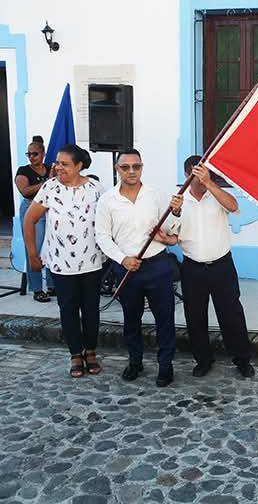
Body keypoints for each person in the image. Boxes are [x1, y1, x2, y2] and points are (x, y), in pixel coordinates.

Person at [95, 148, 181, 387]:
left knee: (165, 318)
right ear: (117, 169)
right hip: (127, 268)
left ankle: (166, 364)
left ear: (142, 167)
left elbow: (172, 227)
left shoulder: (156, 195)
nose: (131, 171)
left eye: (136, 166)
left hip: (157, 265)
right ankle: (135, 361)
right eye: (125, 167)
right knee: (131, 318)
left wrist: (176, 212)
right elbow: (102, 236)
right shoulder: (107, 200)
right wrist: (122, 259)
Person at [23, 145, 105, 378]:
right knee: (68, 309)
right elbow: (29, 220)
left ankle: (90, 351)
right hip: (61, 264)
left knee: (91, 309)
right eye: (57, 162)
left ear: (79, 166)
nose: (58, 167)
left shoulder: (96, 188)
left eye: (64, 164)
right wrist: (33, 255)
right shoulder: (50, 188)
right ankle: (75, 354)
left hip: (91, 262)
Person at [171, 155, 255, 378]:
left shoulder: (216, 194)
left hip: (221, 265)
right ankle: (203, 360)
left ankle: (242, 359)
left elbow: (234, 206)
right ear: (186, 175)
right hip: (192, 267)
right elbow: (171, 234)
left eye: (203, 173)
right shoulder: (179, 200)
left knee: (231, 315)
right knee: (195, 316)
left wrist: (209, 183)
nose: (199, 178)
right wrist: (175, 212)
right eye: (195, 174)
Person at [15, 138, 55, 302]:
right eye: (29, 154)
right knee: (34, 249)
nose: (31, 157)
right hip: (32, 210)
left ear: (43, 154)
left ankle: (52, 285)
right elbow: (25, 191)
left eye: (35, 154)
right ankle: (37, 288)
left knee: (52, 247)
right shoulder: (24, 171)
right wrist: (47, 183)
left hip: (50, 210)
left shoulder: (50, 168)